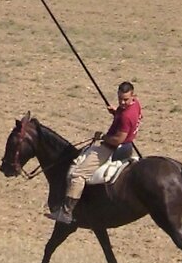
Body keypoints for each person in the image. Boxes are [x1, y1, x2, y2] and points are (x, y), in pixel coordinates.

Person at [47, 81, 142, 224]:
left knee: (78, 174)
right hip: (128, 146)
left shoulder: (126, 116)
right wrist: (116, 113)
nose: (122, 102)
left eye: (125, 99)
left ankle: (66, 212)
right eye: (120, 99)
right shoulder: (136, 105)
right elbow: (134, 118)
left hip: (113, 148)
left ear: (133, 95)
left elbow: (117, 139)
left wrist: (102, 137)